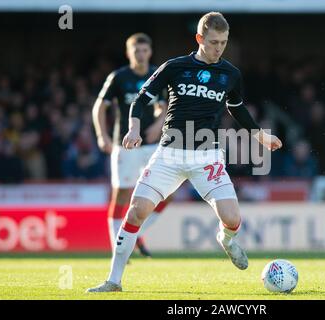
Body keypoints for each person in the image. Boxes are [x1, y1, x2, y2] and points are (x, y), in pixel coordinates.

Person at [87, 12, 282, 292]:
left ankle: (225, 240)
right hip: (169, 155)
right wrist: (133, 129)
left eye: (223, 43)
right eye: (213, 42)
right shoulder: (175, 67)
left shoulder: (230, 74)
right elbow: (141, 99)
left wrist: (259, 135)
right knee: (135, 211)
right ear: (200, 38)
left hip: (207, 157)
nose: (219, 48)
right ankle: (113, 280)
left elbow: (236, 107)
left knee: (232, 219)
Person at [92, 33, 169, 258]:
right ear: (129, 53)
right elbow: (99, 107)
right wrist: (101, 135)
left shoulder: (157, 75)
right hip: (125, 144)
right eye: (137, 51)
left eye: (145, 50)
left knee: (166, 192)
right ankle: (118, 249)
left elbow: (163, 106)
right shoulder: (118, 77)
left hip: (152, 144)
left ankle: (133, 235)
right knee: (122, 194)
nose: (141, 55)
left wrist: (159, 123)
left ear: (150, 52)